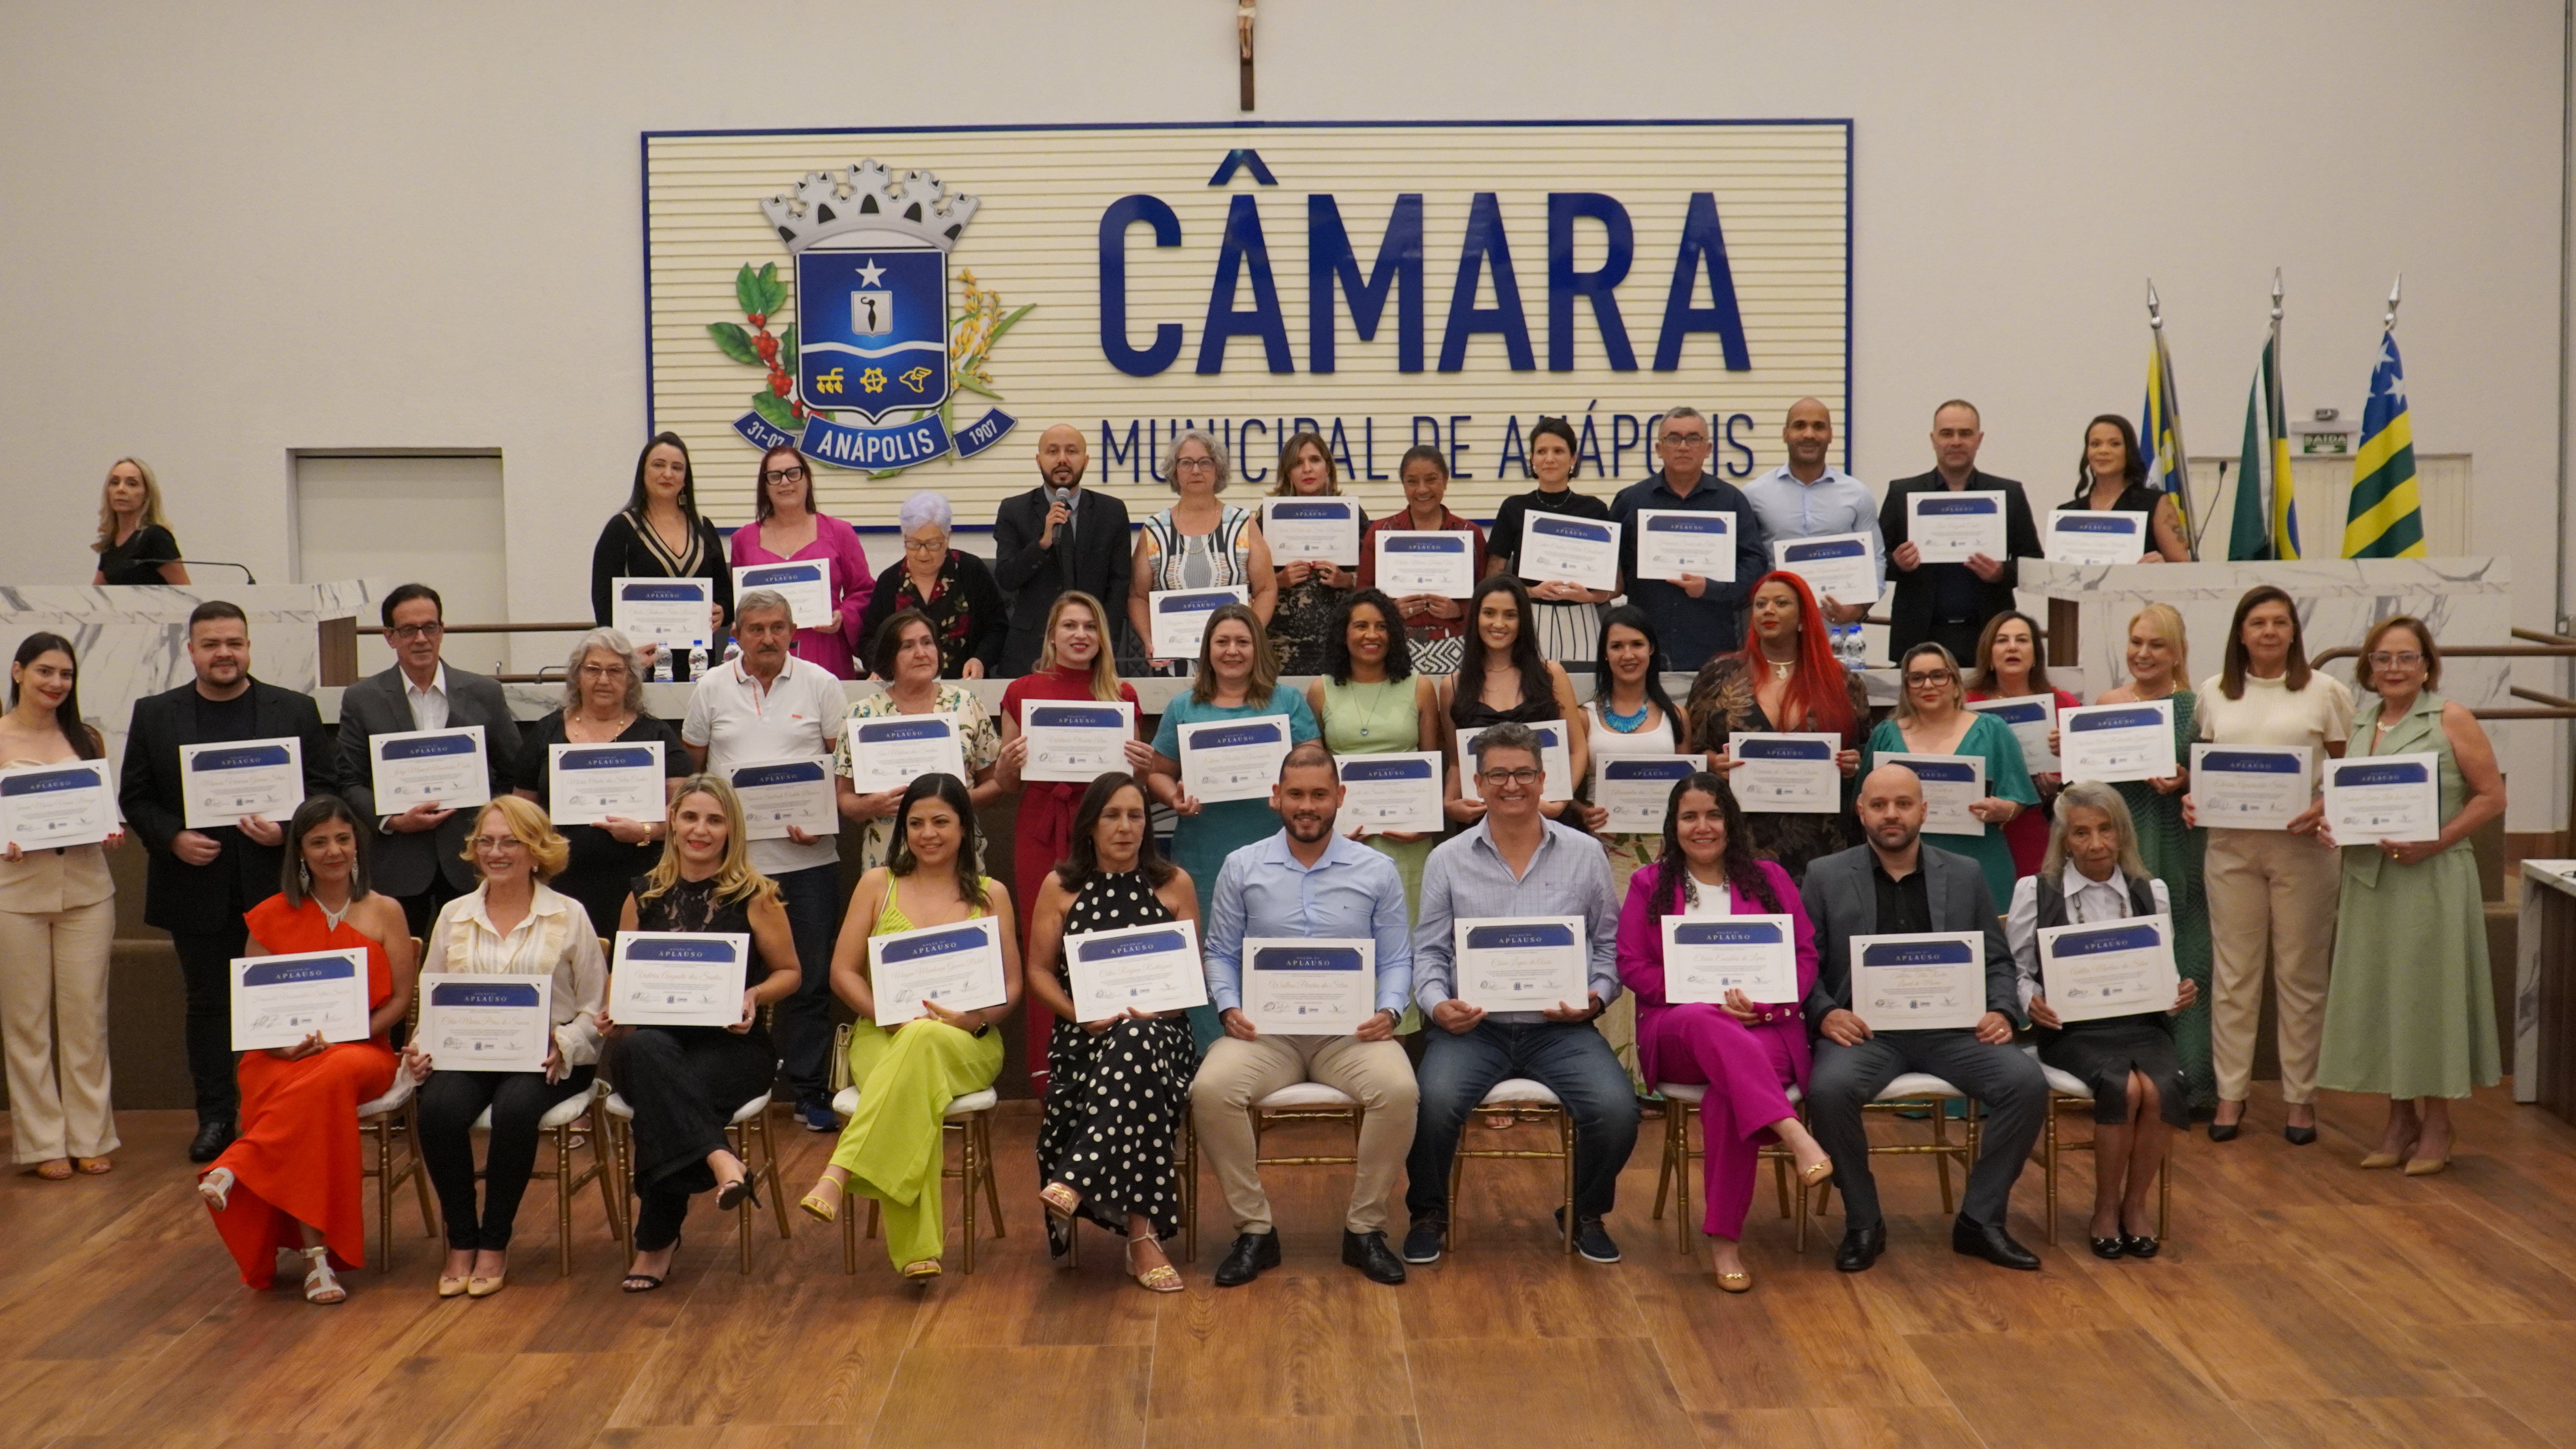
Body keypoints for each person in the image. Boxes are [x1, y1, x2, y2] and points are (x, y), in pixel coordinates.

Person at [1799, 764, 2047, 1273]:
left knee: (2025, 1082)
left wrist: (2002, 1009)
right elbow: (1804, 964)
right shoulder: (1825, 875)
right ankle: (1864, 1222)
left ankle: (1980, 1220)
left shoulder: (1964, 873)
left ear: (1924, 810)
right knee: (1827, 1091)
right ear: (1861, 810)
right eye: (1881, 804)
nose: (1892, 814)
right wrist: (1825, 1013)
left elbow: (1997, 960)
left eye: (1904, 804)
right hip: (1866, 1035)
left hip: (1953, 1031)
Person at [1405, 722, 1636, 1266]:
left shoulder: (1585, 854)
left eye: (1524, 773)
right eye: (1499, 775)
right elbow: (1429, 953)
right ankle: (1429, 1212)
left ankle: (1584, 1211)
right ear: (1479, 783)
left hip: (1561, 1029)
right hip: (1473, 1029)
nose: (1513, 785)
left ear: (1542, 777)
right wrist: (1439, 1004)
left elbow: (1610, 948)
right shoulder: (1448, 858)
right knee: (1431, 1103)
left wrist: (1596, 999)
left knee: (1617, 1110)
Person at [120, 600, 336, 1162]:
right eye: (212, 644)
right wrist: (173, 838)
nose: (224, 653)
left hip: (276, 883)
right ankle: (217, 1117)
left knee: (289, 1002)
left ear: (248, 647)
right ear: (191, 650)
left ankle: (284, 1114)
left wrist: (287, 831)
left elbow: (325, 789)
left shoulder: (293, 710)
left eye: (234, 643)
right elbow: (135, 798)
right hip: (195, 887)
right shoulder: (155, 714)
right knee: (209, 1004)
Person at [1197, 741, 1418, 1286]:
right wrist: (1229, 1006)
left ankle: (1364, 1230)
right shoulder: (1241, 866)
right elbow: (1220, 952)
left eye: (1320, 794)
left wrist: (1389, 1009)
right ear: (1276, 798)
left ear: (1340, 798)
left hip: (1350, 1035)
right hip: (1265, 1035)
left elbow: (1397, 958)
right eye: (1296, 794)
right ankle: (1255, 1231)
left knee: (1400, 1090)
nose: (1308, 805)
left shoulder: (1377, 869)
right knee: (1209, 1091)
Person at [796, 773, 1021, 1279]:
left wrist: (975, 1017)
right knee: (914, 1065)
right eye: (915, 823)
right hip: (882, 1035)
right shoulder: (879, 884)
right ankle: (918, 1252)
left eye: (941, 821)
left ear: (965, 828)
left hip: (967, 1039)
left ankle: (841, 1170)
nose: (928, 833)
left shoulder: (992, 893)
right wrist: (886, 1013)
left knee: (923, 1043)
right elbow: (842, 972)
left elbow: (1012, 986)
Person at [1614, 773, 1834, 1290]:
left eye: (1713, 814)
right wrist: (1696, 989)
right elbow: (1632, 966)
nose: (1702, 826)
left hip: (1763, 1028)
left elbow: (1803, 956)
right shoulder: (1650, 883)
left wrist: (1768, 1006)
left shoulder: (1770, 878)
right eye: (1689, 816)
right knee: (1700, 1018)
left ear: (1731, 821)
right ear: (1674, 825)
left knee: (1728, 1095)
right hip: (1678, 1029)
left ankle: (1724, 1242)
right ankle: (1795, 1133)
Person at [195, 796, 413, 1303]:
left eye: (342, 838)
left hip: (363, 1050)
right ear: (300, 851)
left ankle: (241, 1163)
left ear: (356, 843)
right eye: (319, 841)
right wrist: (281, 1044)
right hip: (280, 1057)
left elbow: (401, 999)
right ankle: (318, 1264)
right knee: (314, 1093)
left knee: (333, 1071)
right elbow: (253, 1010)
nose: (333, 850)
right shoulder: (269, 917)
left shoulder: (386, 910)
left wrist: (345, 1036)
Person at [2318, 617, 2505, 1174]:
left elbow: (2491, 797)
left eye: (2406, 658)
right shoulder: (2362, 721)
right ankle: (2400, 1121)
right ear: (2368, 668)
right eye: (2383, 658)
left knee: (2430, 997)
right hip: (2369, 879)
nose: (2394, 669)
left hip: (2433, 878)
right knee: (2382, 997)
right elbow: (2351, 795)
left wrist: (2436, 839)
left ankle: (2439, 1124)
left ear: (2427, 665)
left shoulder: (2451, 719)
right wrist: (2335, 825)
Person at [605, 776, 802, 1292]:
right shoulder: (641, 895)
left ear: (731, 829)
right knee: (646, 1050)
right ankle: (721, 1159)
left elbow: (790, 972)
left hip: (730, 1045)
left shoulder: (757, 896)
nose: (700, 829)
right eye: (691, 817)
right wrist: (612, 1010)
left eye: (714, 819)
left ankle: (655, 1242)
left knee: (666, 1096)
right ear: (672, 821)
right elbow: (618, 982)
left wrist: (755, 996)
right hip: (652, 1043)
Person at [409, 796, 607, 1297]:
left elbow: (596, 1009)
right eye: (487, 842)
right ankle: (462, 1239)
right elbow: (432, 997)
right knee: (438, 1108)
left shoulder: (570, 914)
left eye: (510, 842)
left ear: (537, 851)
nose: (497, 852)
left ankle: (494, 1241)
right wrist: (419, 1046)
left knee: (517, 1108)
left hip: (551, 1059)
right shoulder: (454, 915)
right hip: (468, 1055)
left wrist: (564, 1042)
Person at [2186, 585, 2352, 1144]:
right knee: (2235, 977)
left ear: (2294, 632)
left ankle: (2300, 1100)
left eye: (2281, 622)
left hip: (2302, 849)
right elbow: (2205, 769)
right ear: (2241, 632)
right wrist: (2193, 798)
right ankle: (2231, 1095)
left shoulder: (2324, 691)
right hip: (2231, 848)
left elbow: (2348, 773)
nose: (2270, 632)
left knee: (2301, 976)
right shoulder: (2213, 692)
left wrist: (2326, 805)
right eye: (2258, 623)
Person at [2005, 784, 2197, 1258]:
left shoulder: (2150, 891)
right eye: (2082, 833)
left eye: (2106, 829)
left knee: (2160, 1088)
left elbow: (2163, 968)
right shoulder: (2036, 890)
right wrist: (2030, 1001)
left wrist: (2178, 992)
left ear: (2122, 833)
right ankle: (2105, 1208)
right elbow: (2014, 969)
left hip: (2141, 1025)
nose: (2096, 844)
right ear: (2064, 840)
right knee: (2125, 1088)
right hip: (2073, 1030)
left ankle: (2136, 1206)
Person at [680, 588, 847, 1134]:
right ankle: (726, 1086)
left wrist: (819, 818)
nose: (769, 638)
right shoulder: (710, 688)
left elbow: (840, 768)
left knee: (811, 980)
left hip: (809, 860)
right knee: (731, 977)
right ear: (738, 635)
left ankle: (808, 1090)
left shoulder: (822, 685)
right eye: (756, 628)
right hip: (734, 869)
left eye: (778, 627)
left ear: (792, 630)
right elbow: (698, 770)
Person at [1023, 773, 1199, 1288]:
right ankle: (1143, 1242)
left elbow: (1191, 980)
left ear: (1148, 823)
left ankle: (1076, 1175)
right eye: (1112, 816)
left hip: (1163, 1033)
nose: (1125, 828)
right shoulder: (1061, 886)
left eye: (1136, 816)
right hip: (1084, 1037)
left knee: (1139, 1041)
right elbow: (1037, 972)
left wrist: (1154, 1011)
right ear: (1091, 825)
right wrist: (1079, 1013)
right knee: (1132, 1056)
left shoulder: (1175, 884)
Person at [997, 591, 1153, 1090]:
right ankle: (1051, 1077)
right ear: (1052, 635)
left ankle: (1114, 1060)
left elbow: (1134, 786)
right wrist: (1007, 764)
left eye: (1090, 626)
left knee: (1108, 938)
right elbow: (1006, 785)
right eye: (1070, 625)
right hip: (1042, 827)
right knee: (1044, 944)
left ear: (1102, 637)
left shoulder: (1122, 694)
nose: (1080, 634)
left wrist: (1143, 767)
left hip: (1106, 833)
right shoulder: (1022, 691)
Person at [333, 582, 524, 940]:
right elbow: (349, 782)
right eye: (408, 630)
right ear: (389, 637)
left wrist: (486, 819)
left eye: (430, 627)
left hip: (473, 858)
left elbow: (514, 771)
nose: (421, 639)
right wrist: (392, 819)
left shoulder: (483, 692)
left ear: (442, 630)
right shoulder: (363, 699)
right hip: (398, 863)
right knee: (396, 972)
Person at [0, 633, 122, 1178]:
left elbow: (102, 808)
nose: (55, 683)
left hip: (87, 890)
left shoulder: (87, 738)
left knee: (85, 1019)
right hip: (15, 892)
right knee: (25, 1023)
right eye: (45, 671)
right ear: (19, 671)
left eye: (66, 675)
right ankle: (43, 1142)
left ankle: (90, 1134)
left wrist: (110, 827)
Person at [2090, 603, 2213, 1109]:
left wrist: (2187, 778)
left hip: (2177, 844)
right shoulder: (2106, 701)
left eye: (2157, 644)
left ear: (2178, 652)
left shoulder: (2198, 705)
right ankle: (2122, 1081)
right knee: (2121, 957)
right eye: (2137, 641)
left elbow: (2217, 776)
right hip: (2121, 842)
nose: (2144, 653)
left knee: (2187, 962)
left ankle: (2192, 1084)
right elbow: (2089, 783)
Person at [1683, 570, 1868, 879]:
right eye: (1760, 604)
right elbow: (1688, 753)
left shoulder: (1842, 681)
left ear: (1803, 617)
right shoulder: (1719, 673)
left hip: (1823, 846)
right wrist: (1713, 763)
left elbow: (1864, 749)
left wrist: (1854, 763)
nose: (1768, 611)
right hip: (1738, 837)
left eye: (1781, 603)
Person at [1146, 602, 1322, 921]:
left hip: (1277, 846)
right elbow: (1158, 774)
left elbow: (1315, 770)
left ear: (1257, 648)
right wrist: (1175, 797)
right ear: (1207, 649)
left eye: (1243, 642)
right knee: (1211, 952)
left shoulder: (1287, 701)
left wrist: (1290, 797)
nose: (1232, 651)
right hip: (1204, 851)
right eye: (1222, 642)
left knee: (1275, 946)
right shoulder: (1183, 707)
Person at [511, 628, 690, 939]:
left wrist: (646, 831)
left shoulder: (656, 734)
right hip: (559, 884)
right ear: (577, 676)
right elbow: (519, 813)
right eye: (593, 669)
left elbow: (684, 814)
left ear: (632, 678)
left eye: (615, 670)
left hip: (637, 885)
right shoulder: (546, 732)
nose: (603, 680)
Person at [1863, 642, 2036, 906]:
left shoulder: (1992, 730)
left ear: (1956, 683)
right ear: (1907, 689)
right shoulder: (1885, 735)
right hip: (1900, 869)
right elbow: (1863, 804)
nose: (1928, 685)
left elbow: (2020, 796)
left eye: (1939, 675)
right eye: (1917, 678)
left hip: (1981, 863)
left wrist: (2005, 810)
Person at [1307, 588, 1440, 925]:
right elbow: (1315, 774)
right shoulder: (1320, 690)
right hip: (1343, 838)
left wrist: (1426, 824)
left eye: (1382, 627)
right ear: (1344, 633)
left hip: (1409, 839)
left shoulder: (1420, 687)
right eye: (1361, 626)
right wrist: (1330, 829)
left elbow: (1434, 765)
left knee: (1408, 934)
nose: (1372, 635)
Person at [835, 608, 1002, 872]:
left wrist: (957, 801)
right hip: (888, 857)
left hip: (957, 855)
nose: (922, 653)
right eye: (908, 646)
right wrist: (870, 805)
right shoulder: (861, 715)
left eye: (928, 643)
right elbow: (845, 798)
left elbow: (995, 782)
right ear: (890, 657)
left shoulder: (967, 704)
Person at [1880, 400, 2044, 666]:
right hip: (1919, 634)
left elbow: (2033, 561)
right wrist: (1897, 563)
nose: (1956, 441)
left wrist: (2002, 573)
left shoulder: (2008, 494)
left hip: (1988, 634)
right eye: (1947, 433)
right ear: (1933, 439)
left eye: (1965, 434)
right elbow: (1878, 562)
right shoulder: (1902, 494)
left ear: (1979, 440)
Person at [1609, 407, 1770, 672]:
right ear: (1659, 448)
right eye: (1674, 438)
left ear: (1708, 449)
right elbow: (1614, 567)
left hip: (1711, 646)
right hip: (1643, 648)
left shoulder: (1731, 501)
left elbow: (1755, 564)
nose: (1683, 447)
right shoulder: (1631, 501)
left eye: (1693, 439)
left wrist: (1712, 588)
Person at [1439, 576, 1589, 826]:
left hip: (1546, 817)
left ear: (1523, 621)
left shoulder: (1551, 675)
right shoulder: (1452, 686)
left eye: (1510, 615)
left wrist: (1560, 802)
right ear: (1475, 617)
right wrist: (1449, 803)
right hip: (1483, 821)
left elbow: (1578, 749)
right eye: (1489, 613)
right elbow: (1457, 762)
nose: (1499, 624)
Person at [1130, 427, 1279, 672]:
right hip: (1173, 664)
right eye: (1186, 463)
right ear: (1174, 470)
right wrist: (1149, 641)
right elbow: (1138, 596)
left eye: (1205, 462)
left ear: (1218, 468)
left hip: (1236, 660)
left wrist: (1250, 637)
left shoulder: (1243, 524)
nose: (1196, 470)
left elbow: (1266, 589)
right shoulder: (1155, 529)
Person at [588, 432, 731, 682]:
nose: (668, 474)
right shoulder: (622, 529)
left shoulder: (703, 527)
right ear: (643, 473)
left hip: (699, 666)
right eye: (659, 465)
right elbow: (603, 601)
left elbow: (725, 593)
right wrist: (624, 655)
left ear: (686, 479)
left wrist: (723, 611)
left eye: (677, 468)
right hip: (641, 666)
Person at [994, 424, 1136, 675]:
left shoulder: (1111, 512)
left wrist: (1107, 641)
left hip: (1092, 646)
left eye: (1072, 451)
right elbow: (1007, 578)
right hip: (1030, 648)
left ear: (1086, 460)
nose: (1062, 459)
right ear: (1039, 460)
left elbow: (1120, 583)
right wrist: (1042, 543)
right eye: (1053, 452)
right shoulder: (1013, 510)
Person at [727, 443, 874, 679]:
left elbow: (864, 591)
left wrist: (843, 615)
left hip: (825, 651)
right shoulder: (743, 540)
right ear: (765, 486)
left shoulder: (840, 533)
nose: (785, 482)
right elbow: (740, 606)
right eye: (775, 476)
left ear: (807, 479)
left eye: (794, 473)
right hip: (764, 657)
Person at [1485, 416, 1617, 666]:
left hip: (1583, 618)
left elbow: (1617, 584)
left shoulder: (1595, 509)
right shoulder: (1514, 508)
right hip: (1529, 616)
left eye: (1559, 451)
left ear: (1573, 459)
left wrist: (1589, 596)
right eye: (1541, 452)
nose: (1550, 459)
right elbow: (1493, 580)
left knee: (1583, 694)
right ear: (1532, 460)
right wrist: (1532, 592)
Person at [1742, 398, 1883, 625]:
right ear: (1785, 434)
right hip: (1774, 627)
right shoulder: (1754, 494)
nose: (1809, 434)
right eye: (1799, 426)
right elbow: (1746, 560)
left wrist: (1859, 609)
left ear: (1830, 435)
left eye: (1819, 427)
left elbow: (1876, 558)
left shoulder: (1858, 494)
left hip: (1835, 627)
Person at [1964, 609, 2078, 879]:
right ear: (1988, 654)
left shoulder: (2064, 704)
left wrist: (2061, 782)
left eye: (2022, 640)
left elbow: (2089, 777)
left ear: (2036, 653)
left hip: (2045, 822)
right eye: (2002, 640)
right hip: (1984, 825)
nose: (2012, 647)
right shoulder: (1967, 708)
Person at [1357, 445, 1488, 673]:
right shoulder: (1380, 532)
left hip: (1458, 646)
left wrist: (1459, 610)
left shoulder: (1469, 532)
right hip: (1395, 646)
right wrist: (1390, 610)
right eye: (1412, 481)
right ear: (1403, 485)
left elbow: (1487, 595)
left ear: (1445, 481)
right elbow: (1361, 597)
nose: (1422, 489)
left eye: (1431, 479)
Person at [856, 491, 1006, 679]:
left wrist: (980, 660)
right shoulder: (890, 581)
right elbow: (869, 641)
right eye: (913, 544)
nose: (923, 554)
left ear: (948, 537)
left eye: (933, 544)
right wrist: (880, 667)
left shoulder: (971, 571)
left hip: (963, 683)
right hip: (906, 688)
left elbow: (997, 629)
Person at [1263, 430, 1368, 675]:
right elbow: (1248, 580)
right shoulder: (1268, 516)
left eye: (1315, 460)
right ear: (1287, 472)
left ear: (1328, 467)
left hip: (1340, 641)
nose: (1307, 469)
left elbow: (1374, 578)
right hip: (1282, 646)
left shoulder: (1352, 514)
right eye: (1298, 463)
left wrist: (1347, 580)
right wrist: (1279, 581)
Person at [2070, 415, 2191, 564]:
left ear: (2129, 451)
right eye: (2095, 444)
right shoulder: (2069, 513)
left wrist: (2163, 566)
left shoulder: (2155, 504)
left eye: (2115, 444)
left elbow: (2184, 566)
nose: (2103, 451)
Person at [92, 456, 189, 585]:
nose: (121, 489)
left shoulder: (155, 537)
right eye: (115, 483)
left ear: (147, 494)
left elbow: (185, 592)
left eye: (132, 484)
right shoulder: (111, 542)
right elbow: (96, 593)